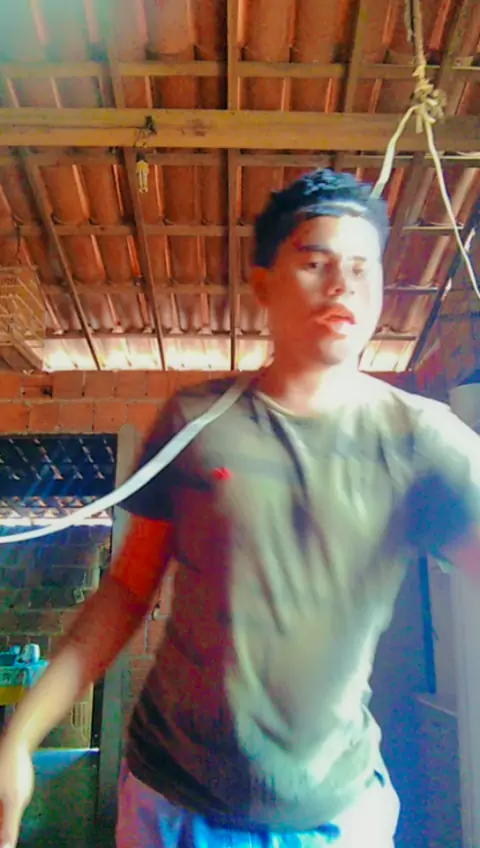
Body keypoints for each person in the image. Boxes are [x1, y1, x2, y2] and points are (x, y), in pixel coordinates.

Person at [0, 168, 479, 848]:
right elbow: (127, 590)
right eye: (315, 263)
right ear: (264, 283)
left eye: (361, 267)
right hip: (169, 807)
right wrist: (19, 738)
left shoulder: (425, 442)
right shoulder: (196, 423)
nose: (342, 286)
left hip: (333, 819)